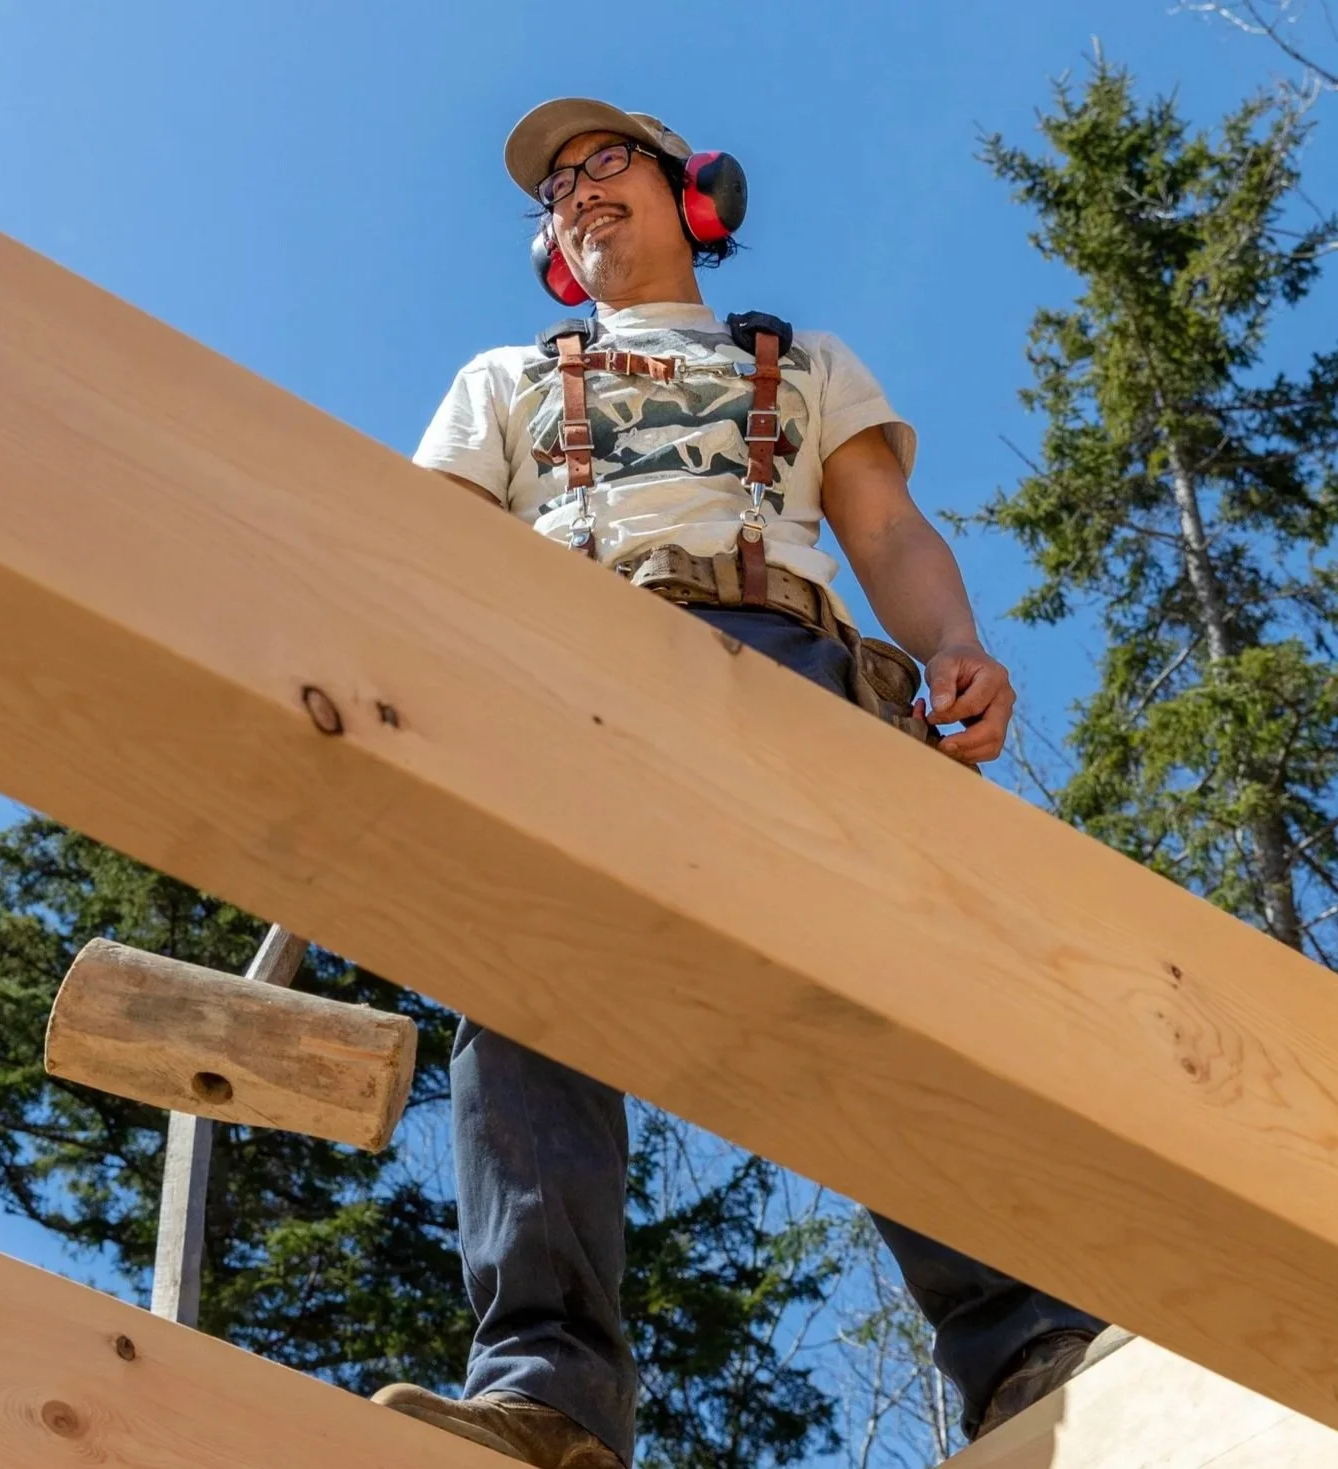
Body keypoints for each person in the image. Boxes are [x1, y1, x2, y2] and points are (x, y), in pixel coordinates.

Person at [375, 98, 1124, 1469]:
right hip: (568, 676)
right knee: (523, 990)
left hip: (781, 665)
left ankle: (1027, 1340)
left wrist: (952, 647)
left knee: (868, 990)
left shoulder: (804, 363)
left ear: (691, 194)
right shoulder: (505, 382)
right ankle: (546, 1395)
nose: (576, 193)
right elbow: (430, 542)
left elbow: (886, 526)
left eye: (604, 163)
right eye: (552, 189)